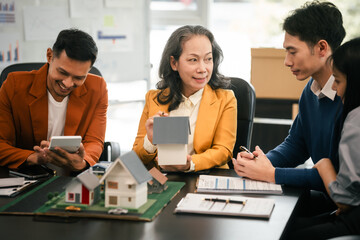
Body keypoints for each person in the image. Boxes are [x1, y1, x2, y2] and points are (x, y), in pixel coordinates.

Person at [233, 1, 346, 191]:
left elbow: (339, 176)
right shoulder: (311, 90)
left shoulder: (349, 97)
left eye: (292, 52)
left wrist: (271, 174)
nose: (286, 61)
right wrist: (261, 163)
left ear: (322, 48)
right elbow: (296, 146)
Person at [0, 28, 108, 175]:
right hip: (28, 176)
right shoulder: (14, 85)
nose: (68, 83)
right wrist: (34, 157)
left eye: (79, 77)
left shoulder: (97, 88)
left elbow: (94, 141)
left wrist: (82, 162)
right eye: (62, 72)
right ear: (50, 56)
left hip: (74, 176)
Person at [133, 25, 237, 172]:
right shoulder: (154, 98)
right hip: (164, 182)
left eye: (208, 59)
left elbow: (223, 150)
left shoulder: (225, 99)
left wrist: (189, 164)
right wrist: (150, 141)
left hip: (206, 178)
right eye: (193, 60)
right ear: (174, 63)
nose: (202, 68)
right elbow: (136, 157)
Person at [289, 37, 360, 240]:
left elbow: (344, 200)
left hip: (351, 217)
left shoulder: (355, 120)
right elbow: (296, 143)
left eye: (337, 81)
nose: (335, 89)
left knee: (288, 233)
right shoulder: (309, 92)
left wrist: (324, 165)